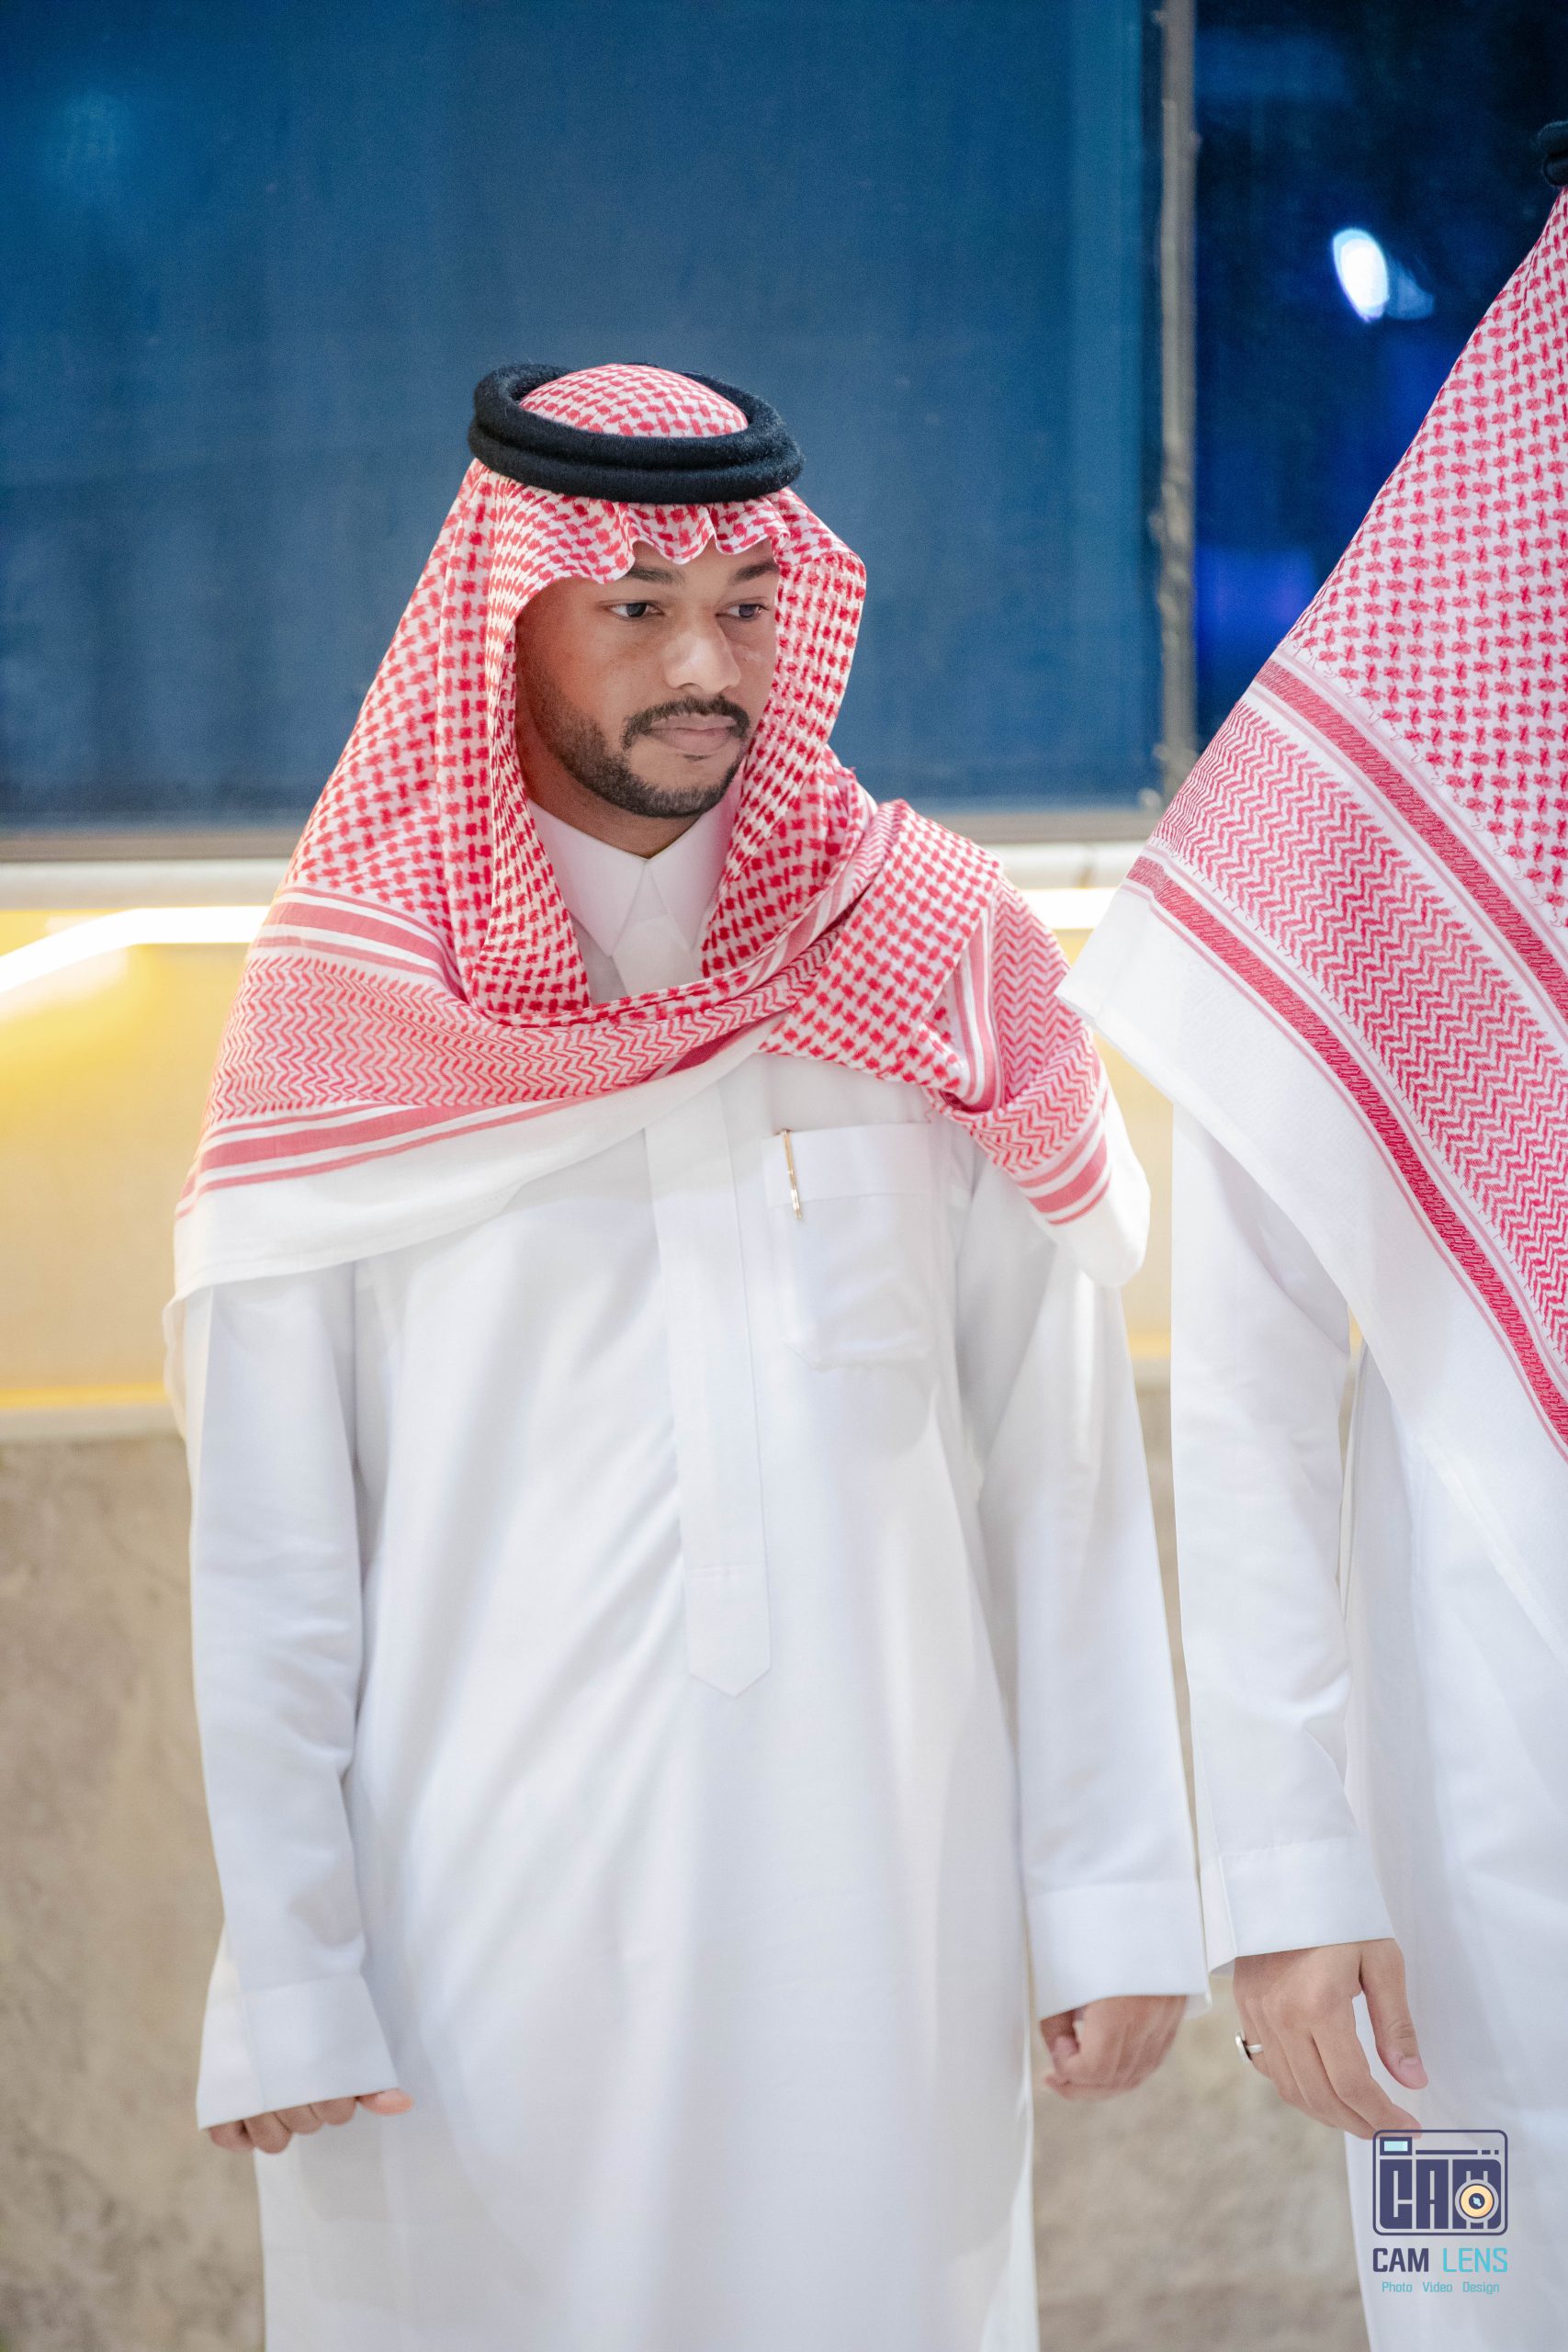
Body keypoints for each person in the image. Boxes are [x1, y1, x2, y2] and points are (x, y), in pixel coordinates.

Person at [168, 360, 1206, 2350]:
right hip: (479, 1948)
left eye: (744, 602)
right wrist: (293, 1964)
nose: (703, 663)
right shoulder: (345, 1014)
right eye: (635, 604)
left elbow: (1056, 1460)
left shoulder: (928, 959)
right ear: (507, 616)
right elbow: (275, 1557)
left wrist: (1109, 1892)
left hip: (880, 1919)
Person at [1064, 152, 1568, 2347]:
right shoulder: (1366, 800)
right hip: (1491, 1776)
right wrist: (1282, 1863)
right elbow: (1252, 1377)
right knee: (1476, 2266)